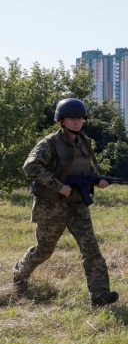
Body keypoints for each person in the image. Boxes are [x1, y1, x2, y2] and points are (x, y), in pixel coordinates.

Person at [13, 97, 119, 307]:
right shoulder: (49, 143)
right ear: (61, 120)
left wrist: (98, 180)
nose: (77, 122)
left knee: (92, 250)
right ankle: (19, 275)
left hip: (78, 205)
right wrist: (57, 185)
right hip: (52, 207)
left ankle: (100, 295)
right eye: (71, 118)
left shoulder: (85, 143)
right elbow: (30, 167)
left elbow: (84, 171)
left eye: (80, 118)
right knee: (44, 250)